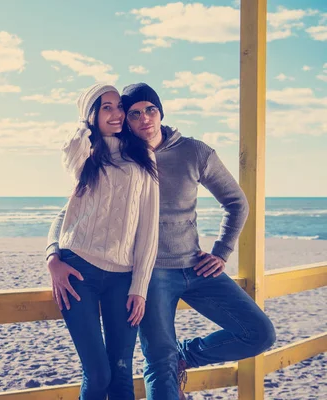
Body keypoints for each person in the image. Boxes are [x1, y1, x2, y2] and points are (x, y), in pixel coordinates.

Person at [46, 83, 276, 400]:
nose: (144, 119)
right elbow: (73, 211)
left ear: (161, 112)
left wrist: (221, 252)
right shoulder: (120, 156)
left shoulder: (194, 152)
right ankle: (170, 360)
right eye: (135, 113)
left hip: (196, 268)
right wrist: (52, 254)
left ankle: (185, 355)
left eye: (150, 110)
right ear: (127, 120)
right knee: (158, 365)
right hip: (151, 275)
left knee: (259, 333)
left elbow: (237, 203)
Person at [48, 83, 159, 400]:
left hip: (122, 278)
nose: (117, 114)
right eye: (106, 107)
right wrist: (52, 258)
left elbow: (148, 228)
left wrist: (140, 286)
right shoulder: (85, 156)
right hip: (78, 271)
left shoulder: (143, 156)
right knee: (97, 376)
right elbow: (72, 158)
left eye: (118, 106)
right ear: (91, 114)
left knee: (122, 374)